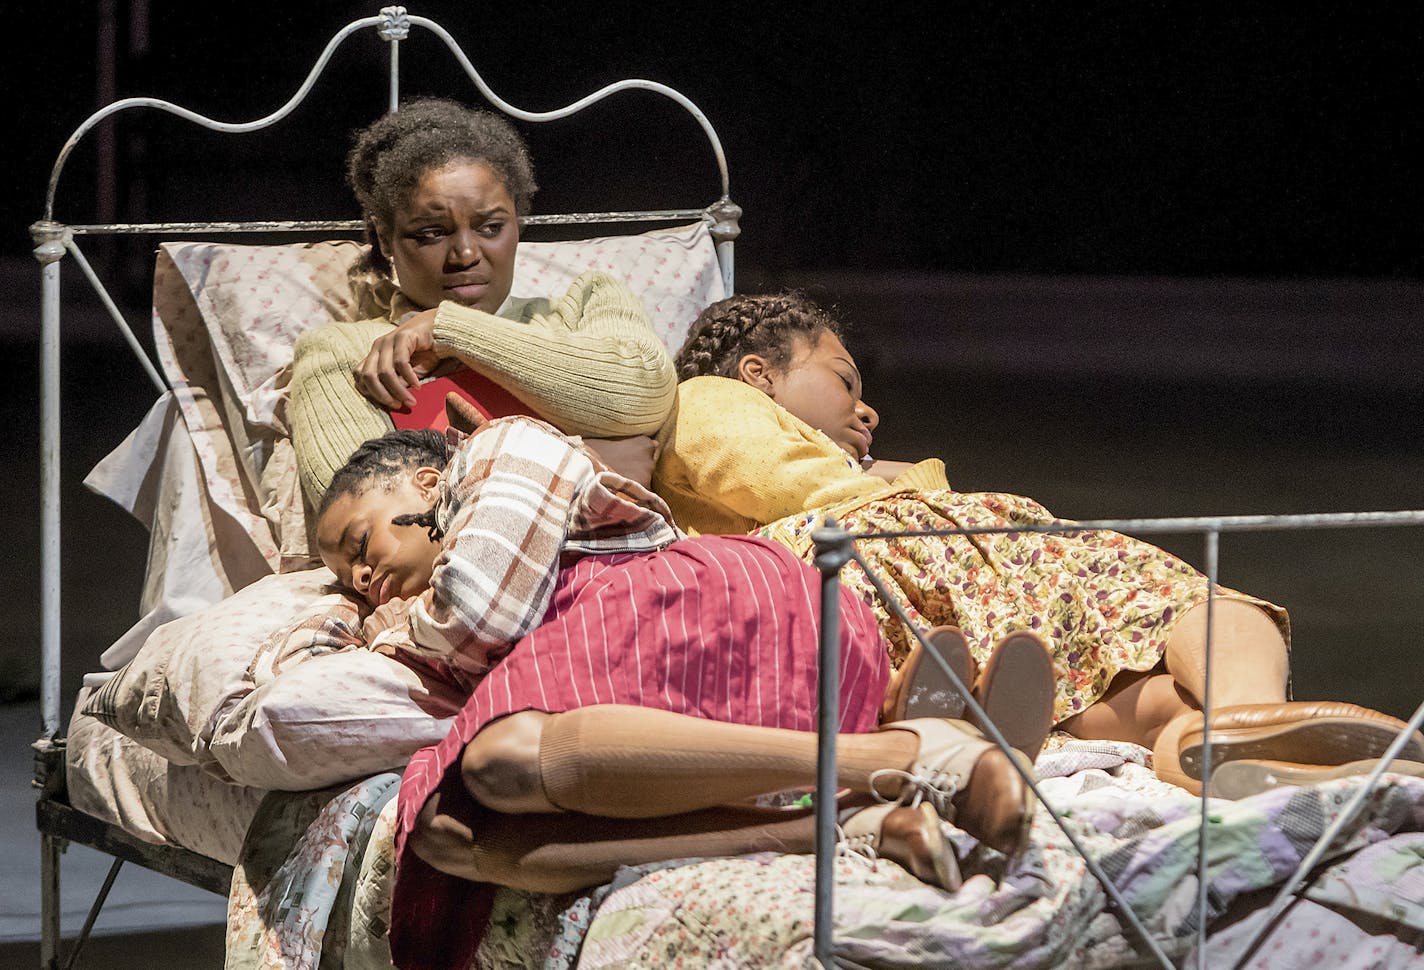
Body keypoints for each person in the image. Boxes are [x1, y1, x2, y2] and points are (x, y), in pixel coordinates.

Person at [312, 415, 1042, 970]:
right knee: (444, 833)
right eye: (348, 580)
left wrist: (391, 628)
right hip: (635, 671)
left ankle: (904, 751)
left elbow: (479, 612)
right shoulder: (422, 614)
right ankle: (851, 825)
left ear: (425, 485)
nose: (363, 580)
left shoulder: (503, 450)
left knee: (497, 761)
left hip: (709, 607)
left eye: (359, 545)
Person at [653, 292, 1424, 794]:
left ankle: (1206, 742)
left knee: (1117, 695)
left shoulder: (825, 458)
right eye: (845, 381)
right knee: (1170, 595)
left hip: (904, 598)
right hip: (852, 578)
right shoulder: (707, 398)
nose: (869, 409)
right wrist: (908, 480)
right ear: (758, 372)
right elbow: (782, 483)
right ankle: (1254, 724)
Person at [288, 97, 676, 507]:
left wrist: (449, 329)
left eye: (491, 227)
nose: (465, 255)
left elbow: (641, 400)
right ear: (385, 239)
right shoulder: (342, 354)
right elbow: (373, 513)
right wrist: (590, 464)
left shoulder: (587, 302)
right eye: (431, 233)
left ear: (517, 225)